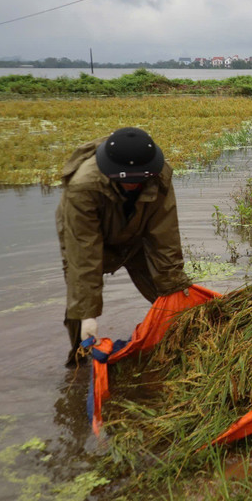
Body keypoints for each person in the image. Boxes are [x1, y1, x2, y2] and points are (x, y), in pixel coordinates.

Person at [56, 127, 193, 366]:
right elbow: (84, 256)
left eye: (138, 180)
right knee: (80, 308)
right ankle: (78, 363)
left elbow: (165, 236)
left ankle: (183, 345)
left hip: (136, 234)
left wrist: (176, 286)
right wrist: (88, 315)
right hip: (86, 238)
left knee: (170, 298)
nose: (132, 185)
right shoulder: (82, 187)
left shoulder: (158, 176)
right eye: (125, 180)